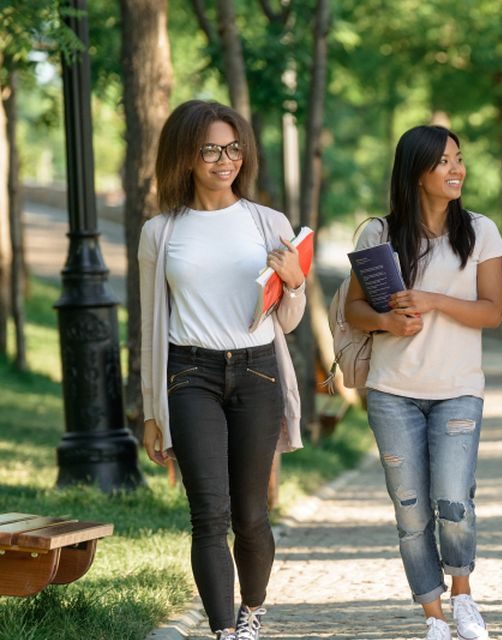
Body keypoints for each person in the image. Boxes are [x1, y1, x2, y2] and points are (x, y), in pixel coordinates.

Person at [139, 100, 306, 640]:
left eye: (233, 148)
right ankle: (222, 631)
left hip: (257, 372)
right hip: (189, 375)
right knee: (208, 513)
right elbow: (149, 326)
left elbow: (289, 317)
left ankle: (251, 611)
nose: (224, 159)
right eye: (210, 149)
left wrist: (296, 282)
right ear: (186, 156)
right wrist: (150, 412)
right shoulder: (160, 232)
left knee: (251, 512)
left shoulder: (268, 223)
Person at [343, 125, 502, 640]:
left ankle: (463, 599)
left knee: (454, 500)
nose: (456, 169)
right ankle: (433, 616)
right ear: (416, 173)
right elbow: (353, 310)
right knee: (410, 508)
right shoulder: (378, 234)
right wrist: (388, 322)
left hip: (458, 388)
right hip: (393, 392)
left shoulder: (480, 231)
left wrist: (432, 300)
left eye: (459, 158)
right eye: (443, 161)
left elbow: (492, 312)